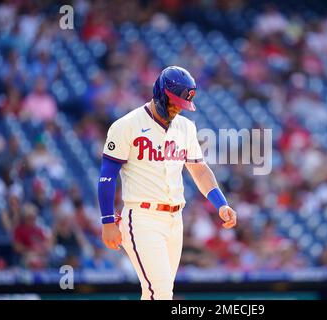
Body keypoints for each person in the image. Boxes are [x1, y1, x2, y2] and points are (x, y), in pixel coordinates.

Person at [97, 66, 237, 300]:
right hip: (142, 218)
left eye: (182, 105)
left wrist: (220, 203)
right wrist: (107, 221)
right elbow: (107, 175)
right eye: (174, 103)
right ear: (160, 93)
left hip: (174, 220)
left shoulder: (185, 127)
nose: (177, 109)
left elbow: (199, 170)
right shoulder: (127, 125)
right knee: (160, 293)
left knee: (155, 293)